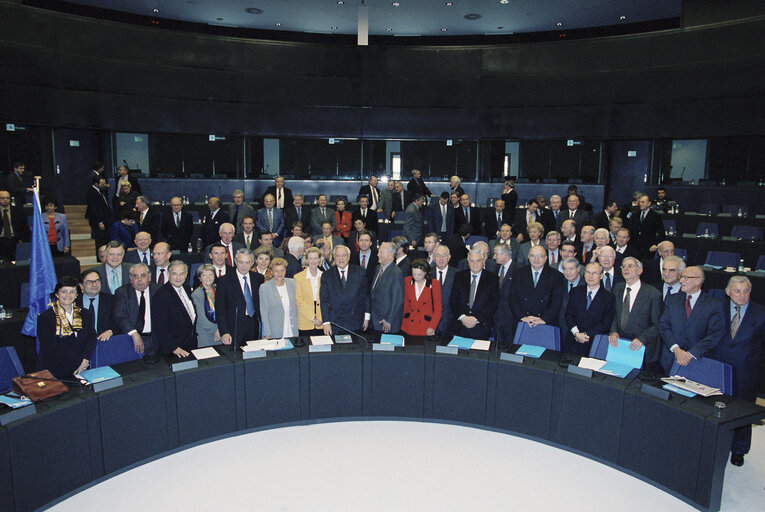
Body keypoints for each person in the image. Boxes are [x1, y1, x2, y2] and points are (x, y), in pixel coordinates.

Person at [712, 276, 765, 467]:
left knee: (741, 411)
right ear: (728, 292)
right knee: (715, 408)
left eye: (746, 291)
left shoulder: (761, 313)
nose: (742, 295)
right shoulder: (717, 308)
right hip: (718, 368)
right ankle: (715, 445)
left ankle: (739, 449)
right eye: (737, 291)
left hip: (747, 371)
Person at [658, 266, 725, 373]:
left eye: (686, 277)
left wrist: (690, 354)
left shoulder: (714, 305)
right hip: (670, 359)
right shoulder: (672, 299)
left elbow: (714, 334)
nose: (681, 281)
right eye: (681, 277)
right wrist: (676, 350)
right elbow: (664, 326)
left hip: (698, 361)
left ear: (698, 280)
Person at [608, 257, 663, 373]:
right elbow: (614, 315)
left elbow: (657, 324)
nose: (626, 269)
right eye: (623, 266)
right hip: (620, 344)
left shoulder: (653, 294)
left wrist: (642, 338)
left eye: (630, 266)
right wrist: (613, 331)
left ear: (640, 270)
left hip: (640, 346)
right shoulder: (618, 288)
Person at [36, 276, 96, 379]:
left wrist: (85, 361)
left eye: (72, 292)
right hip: (56, 370)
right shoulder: (46, 318)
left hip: (83, 367)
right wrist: (77, 364)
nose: (68, 295)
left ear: (77, 295)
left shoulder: (85, 314)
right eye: (64, 291)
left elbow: (91, 338)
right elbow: (50, 348)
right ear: (57, 294)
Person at [564, 261, 615, 355]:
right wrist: (576, 333)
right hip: (573, 340)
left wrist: (586, 334)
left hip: (593, 342)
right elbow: (568, 315)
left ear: (601, 276)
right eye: (588, 272)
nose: (590, 276)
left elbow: (606, 323)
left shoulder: (609, 297)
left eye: (594, 273)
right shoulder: (575, 291)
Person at [216, 248, 264, 346]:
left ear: (252, 263)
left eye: (247, 263)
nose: (244, 266)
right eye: (241, 262)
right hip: (234, 327)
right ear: (235, 261)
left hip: (254, 325)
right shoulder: (224, 281)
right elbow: (220, 310)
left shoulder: (258, 278)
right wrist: (224, 332)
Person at [510, 245, 564, 331]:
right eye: (533, 256)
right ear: (528, 257)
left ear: (546, 258)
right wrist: (522, 317)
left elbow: (556, 302)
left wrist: (544, 319)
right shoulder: (518, 274)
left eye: (540, 256)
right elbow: (513, 298)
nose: (536, 259)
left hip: (545, 323)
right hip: (523, 321)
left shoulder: (556, 276)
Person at [320, 245, 370, 336]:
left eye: (344, 255)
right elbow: (324, 301)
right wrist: (326, 322)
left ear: (349, 257)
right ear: (334, 257)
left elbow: (366, 296)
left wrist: (367, 317)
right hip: (335, 323)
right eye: (338, 256)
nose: (341, 259)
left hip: (355, 321)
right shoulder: (327, 276)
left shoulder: (360, 272)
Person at [151, 261, 197, 358]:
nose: (178, 277)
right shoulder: (161, 295)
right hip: (173, 350)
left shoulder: (186, 288)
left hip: (190, 344)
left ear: (186, 274)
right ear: (168, 274)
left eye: (181, 274)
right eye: (174, 274)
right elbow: (159, 326)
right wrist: (173, 348)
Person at [450, 249, 499, 340]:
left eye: (478, 261)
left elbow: (493, 303)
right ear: (468, 262)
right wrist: (463, 317)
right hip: (460, 326)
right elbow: (454, 300)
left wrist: (476, 319)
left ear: (484, 261)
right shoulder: (459, 276)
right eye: (472, 261)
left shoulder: (493, 279)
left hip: (481, 327)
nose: (475, 264)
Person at [113, 263, 159, 359]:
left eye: (143, 275)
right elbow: (120, 316)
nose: (139, 280)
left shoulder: (158, 290)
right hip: (132, 340)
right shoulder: (122, 292)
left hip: (156, 339)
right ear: (130, 278)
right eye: (135, 276)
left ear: (149, 277)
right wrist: (134, 334)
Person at [401, 259, 442, 339]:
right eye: (414, 274)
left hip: (426, 326)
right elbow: (404, 303)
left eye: (419, 275)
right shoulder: (407, 281)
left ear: (426, 273)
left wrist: (432, 326)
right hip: (408, 326)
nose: (416, 277)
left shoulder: (434, 284)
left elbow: (438, 309)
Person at [370, 242, 405, 335]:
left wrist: (388, 319)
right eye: (378, 252)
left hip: (387, 323)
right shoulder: (378, 268)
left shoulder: (396, 272)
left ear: (390, 255)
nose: (378, 255)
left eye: (381, 252)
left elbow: (398, 299)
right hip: (376, 320)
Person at [259, 258, 298, 339]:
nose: (279, 273)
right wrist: (267, 332)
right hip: (274, 331)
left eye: (282, 270)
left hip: (292, 329)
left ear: (285, 271)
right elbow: (264, 313)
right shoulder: (265, 287)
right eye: (276, 271)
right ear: (272, 272)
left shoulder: (293, 283)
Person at [77, 269, 116, 341]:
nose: (94, 285)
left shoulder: (111, 300)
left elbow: (119, 321)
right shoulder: (74, 302)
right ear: (81, 286)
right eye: (90, 282)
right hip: (81, 344)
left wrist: (111, 331)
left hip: (105, 342)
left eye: (97, 281)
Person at [295, 247, 324, 337]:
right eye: (310, 258)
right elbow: (299, 300)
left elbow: (328, 300)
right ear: (306, 260)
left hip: (322, 321)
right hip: (305, 320)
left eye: (315, 258)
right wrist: (312, 318)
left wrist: (321, 319)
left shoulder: (325, 276)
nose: (313, 261)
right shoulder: (298, 277)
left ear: (319, 260)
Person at [191, 264, 221, 347]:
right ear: (200, 278)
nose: (208, 278)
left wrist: (222, 329)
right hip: (206, 334)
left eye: (211, 274)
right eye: (204, 275)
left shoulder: (218, 289)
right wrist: (215, 331)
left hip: (221, 332)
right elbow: (201, 318)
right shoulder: (196, 294)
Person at [493, 243, 517, 347]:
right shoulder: (495, 268)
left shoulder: (518, 269)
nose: (494, 257)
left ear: (505, 255)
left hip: (511, 316)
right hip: (497, 315)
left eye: (496, 254)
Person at [628, 194, 665, 259]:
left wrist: (656, 245)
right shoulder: (635, 215)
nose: (640, 204)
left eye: (643, 202)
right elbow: (630, 230)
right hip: (635, 248)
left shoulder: (655, 216)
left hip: (648, 248)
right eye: (640, 202)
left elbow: (661, 233)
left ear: (649, 203)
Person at [432, 245, 456, 338]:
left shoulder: (458, 274)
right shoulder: (427, 273)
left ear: (449, 257)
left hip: (451, 324)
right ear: (434, 258)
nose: (441, 258)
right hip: (431, 323)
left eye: (444, 255)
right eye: (438, 255)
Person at [0, 189, 31, 261]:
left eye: (7, 198)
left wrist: (21, 240)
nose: (5, 200)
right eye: (2, 198)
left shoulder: (18, 211)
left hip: (14, 240)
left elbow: (24, 228)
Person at [85, 175, 112, 258]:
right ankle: (100, 257)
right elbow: (94, 210)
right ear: (96, 184)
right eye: (102, 184)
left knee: (105, 238)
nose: (103, 185)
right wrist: (100, 222)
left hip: (105, 218)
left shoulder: (100, 191)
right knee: (100, 240)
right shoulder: (92, 193)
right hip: (98, 220)